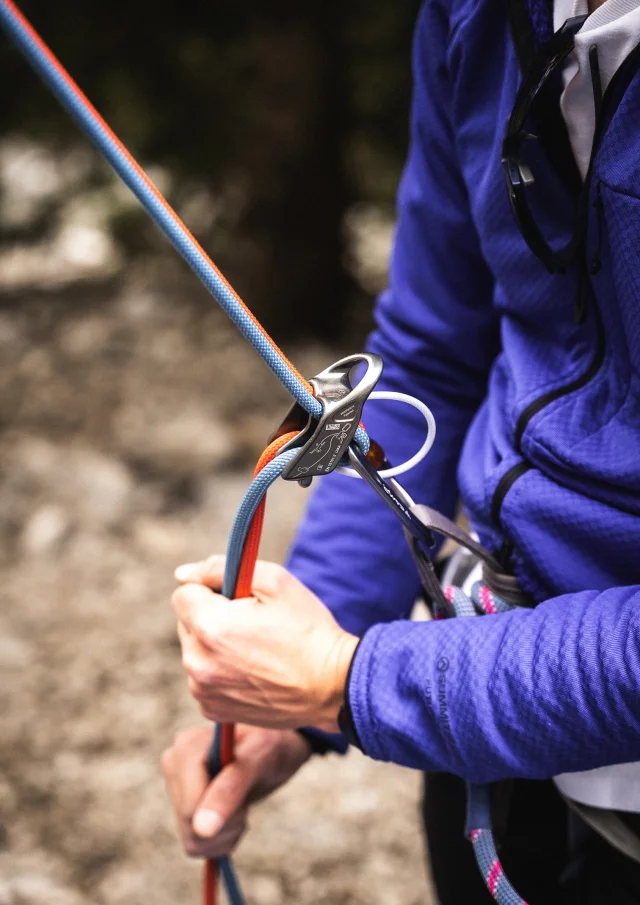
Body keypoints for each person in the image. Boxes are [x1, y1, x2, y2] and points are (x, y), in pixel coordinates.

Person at [161, 0, 640, 899]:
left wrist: (354, 680)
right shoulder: (483, 17)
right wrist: (307, 673)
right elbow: (431, 347)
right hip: (491, 709)